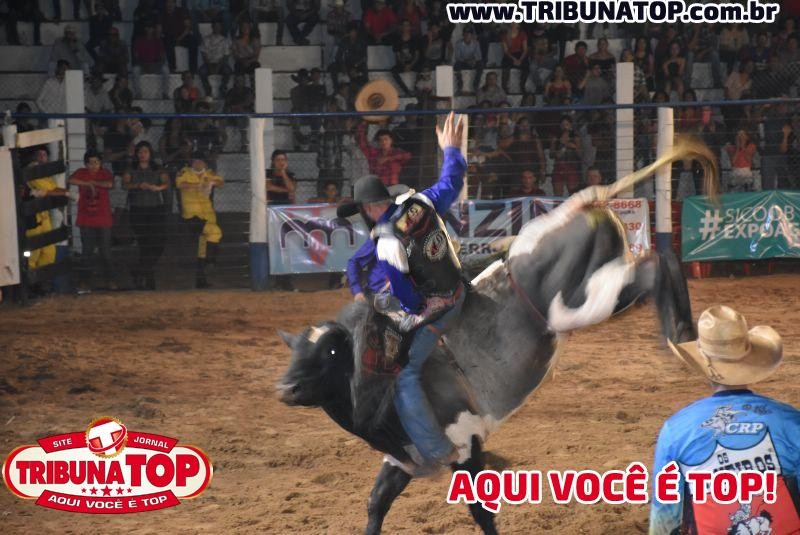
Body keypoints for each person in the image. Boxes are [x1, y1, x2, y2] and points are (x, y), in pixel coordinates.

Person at [358, 112, 466, 465]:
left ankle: (435, 450)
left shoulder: (387, 240)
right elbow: (453, 179)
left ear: (372, 208)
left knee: (403, 374)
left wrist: (410, 310)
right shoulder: (421, 202)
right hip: (459, 288)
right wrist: (451, 148)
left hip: (440, 308)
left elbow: (406, 295)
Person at [650, 305, 800, 535]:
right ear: (750, 358)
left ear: (702, 360)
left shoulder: (676, 429)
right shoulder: (791, 422)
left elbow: (665, 516)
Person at [336, 177, 409, 301]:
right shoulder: (385, 232)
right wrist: (358, 292)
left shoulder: (383, 232)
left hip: (389, 295)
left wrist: (357, 290)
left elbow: (354, 262)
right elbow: (355, 262)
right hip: (383, 296)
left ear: (367, 208)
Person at [122, 141, 169, 290]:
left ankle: (141, 271)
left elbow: (167, 182)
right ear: (136, 153)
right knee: (144, 243)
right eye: (140, 152)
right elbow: (125, 184)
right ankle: (148, 277)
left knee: (158, 243)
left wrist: (158, 187)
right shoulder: (131, 168)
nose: (143, 154)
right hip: (137, 209)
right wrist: (138, 186)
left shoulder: (157, 168)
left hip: (155, 209)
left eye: (146, 151)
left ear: (150, 153)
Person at [67, 150, 116, 290]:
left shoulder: (104, 173)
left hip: (103, 218)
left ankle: (110, 278)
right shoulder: (82, 172)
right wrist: (89, 184)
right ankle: (85, 280)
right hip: (86, 219)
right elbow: (70, 179)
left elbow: (110, 184)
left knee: (105, 251)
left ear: (100, 163)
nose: (94, 165)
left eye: (96, 162)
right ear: (86, 164)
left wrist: (92, 182)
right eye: (90, 163)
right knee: (87, 251)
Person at [175, 152, 224, 289]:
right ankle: (210, 262)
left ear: (205, 163)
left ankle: (200, 279)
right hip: (192, 217)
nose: (197, 163)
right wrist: (199, 185)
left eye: (200, 161)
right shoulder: (184, 172)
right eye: (195, 161)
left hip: (207, 216)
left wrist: (212, 182)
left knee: (202, 248)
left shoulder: (208, 173)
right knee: (216, 233)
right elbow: (180, 184)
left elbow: (221, 182)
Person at [24, 148, 69, 271]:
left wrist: (67, 192)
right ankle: (31, 284)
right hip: (32, 218)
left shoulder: (43, 173)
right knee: (34, 252)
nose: (42, 157)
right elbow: (49, 191)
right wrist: (68, 193)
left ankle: (41, 282)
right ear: (33, 156)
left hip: (44, 216)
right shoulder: (32, 171)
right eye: (39, 155)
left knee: (49, 252)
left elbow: (53, 188)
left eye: (44, 155)